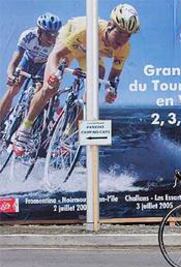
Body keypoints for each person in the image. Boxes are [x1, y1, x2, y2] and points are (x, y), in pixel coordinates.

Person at [13, 3, 140, 156]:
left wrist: (110, 90)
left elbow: (113, 77)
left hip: (89, 52)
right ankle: (24, 129)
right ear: (110, 25)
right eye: (120, 32)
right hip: (69, 42)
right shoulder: (88, 30)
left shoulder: (124, 48)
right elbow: (56, 55)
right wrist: (54, 75)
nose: (123, 39)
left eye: (128, 35)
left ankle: (68, 134)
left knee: (97, 80)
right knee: (50, 87)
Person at [0, 12, 62, 124]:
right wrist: (10, 75)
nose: (52, 38)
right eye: (48, 34)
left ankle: (26, 124)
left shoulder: (58, 43)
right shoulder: (28, 36)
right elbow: (15, 61)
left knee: (39, 89)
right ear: (39, 31)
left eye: (54, 35)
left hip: (44, 64)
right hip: (28, 61)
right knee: (13, 89)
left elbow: (58, 63)